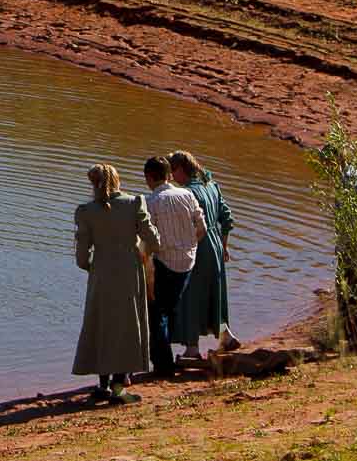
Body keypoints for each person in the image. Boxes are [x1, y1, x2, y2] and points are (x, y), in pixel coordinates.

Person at [72, 162, 161, 405]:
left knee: (101, 324)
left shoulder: (85, 211)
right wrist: (141, 253)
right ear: (118, 180)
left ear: (93, 184)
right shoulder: (134, 203)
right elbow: (153, 239)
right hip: (129, 272)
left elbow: (81, 257)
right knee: (127, 325)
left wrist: (93, 267)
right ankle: (119, 387)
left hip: (101, 274)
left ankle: (102, 385)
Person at [170, 150, 241, 360]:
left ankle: (192, 348)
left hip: (199, 246)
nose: (173, 177)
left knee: (190, 296)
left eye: (173, 171)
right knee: (215, 291)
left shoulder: (188, 193)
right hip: (216, 243)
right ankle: (226, 335)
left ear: (181, 169)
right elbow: (227, 218)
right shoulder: (212, 186)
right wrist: (224, 246)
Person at [142, 156, 206, 378]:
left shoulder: (151, 202)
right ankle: (164, 359)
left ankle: (163, 365)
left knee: (157, 313)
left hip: (165, 263)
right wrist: (189, 247)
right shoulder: (187, 194)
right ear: (169, 174)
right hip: (187, 262)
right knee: (168, 310)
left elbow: (149, 241)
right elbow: (202, 227)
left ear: (149, 178)